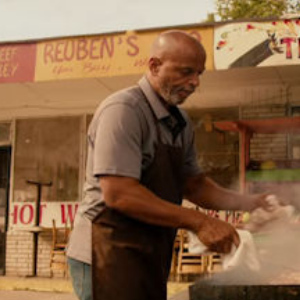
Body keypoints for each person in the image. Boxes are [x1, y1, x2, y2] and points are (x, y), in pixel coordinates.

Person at [66, 30, 270, 300]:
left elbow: (194, 185)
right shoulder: (124, 110)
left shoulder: (181, 122)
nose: (195, 82)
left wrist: (251, 202)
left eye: (199, 73)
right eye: (186, 71)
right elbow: (119, 193)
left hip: (150, 249)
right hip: (105, 249)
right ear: (154, 65)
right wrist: (200, 222)